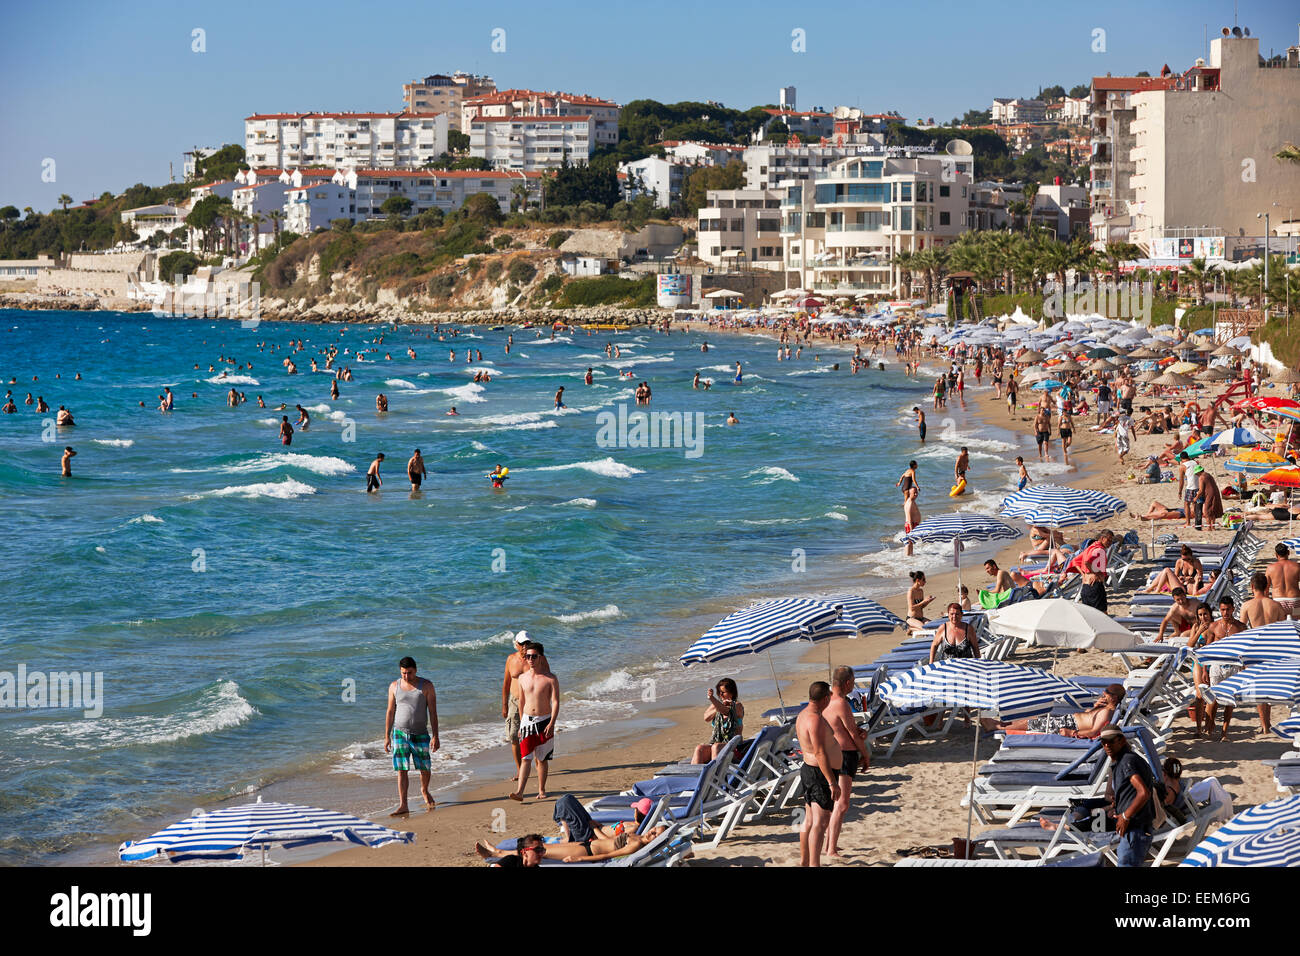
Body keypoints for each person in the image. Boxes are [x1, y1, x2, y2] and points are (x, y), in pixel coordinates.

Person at [823, 666, 871, 858]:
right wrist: (866, 754)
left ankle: (829, 844)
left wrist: (859, 732)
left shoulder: (825, 701)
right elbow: (852, 734)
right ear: (848, 683)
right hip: (844, 755)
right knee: (842, 804)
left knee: (834, 803)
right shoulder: (841, 703)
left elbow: (843, 729)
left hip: (831, 754)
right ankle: (831, 849)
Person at [383, 656, 439, 815]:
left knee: (425, 768)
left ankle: (424, 790)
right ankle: (403, 804)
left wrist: (436, 736)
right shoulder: (394, 686)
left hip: (420, 734)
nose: (407, 676)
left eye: (409, 672)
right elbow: (390, 711)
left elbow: (433, 712)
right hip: (400, 733)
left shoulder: (426, 686)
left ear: (416, 670)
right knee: (401, 769)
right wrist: (387, 736)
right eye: (403, 673)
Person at [795, 682, 840, 868]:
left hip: (810, 770)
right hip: (818, 774)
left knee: (810, 820)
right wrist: (832, 782)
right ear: (826, 698)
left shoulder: (804, 714)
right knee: (820, 824)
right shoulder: (813, 719)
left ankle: (805, 862)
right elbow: (820, 752)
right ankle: (814, 864)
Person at [510, 641, 559, 801]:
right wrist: (521, 724)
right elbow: (521, 702)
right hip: (527, 722)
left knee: (542, 759)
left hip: (544, 720)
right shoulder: (522, 678)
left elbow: (556, 701)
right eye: (528, 656)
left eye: (533, 656)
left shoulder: (550, 678)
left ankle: (542, 790)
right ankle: (520, 792)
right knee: (525, 758)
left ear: (540, 657)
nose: (530, 659)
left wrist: (552, 722)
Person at [1100, 726, 1155, 866]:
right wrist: (1118, 806)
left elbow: (1143, 792)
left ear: (1122, 740)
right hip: (1137, 828)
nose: (1107, 745)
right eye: (1103, 742)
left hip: (1134, 829)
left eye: (1111, 741)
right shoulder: (1127, 760)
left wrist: (1125, 816)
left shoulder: (1126, 761)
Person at [985, 684, 1124, 736]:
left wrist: (1072, 733)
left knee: (1030, 724)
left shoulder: (1107, 712)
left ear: (1115, 698)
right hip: (1069, 720)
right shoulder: (1104, 708)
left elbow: (1094, 731)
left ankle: (996, 726)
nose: (1103, 695)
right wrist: (1096, 707)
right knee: (1033, 719)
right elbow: (1088, 715)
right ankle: (999, 723)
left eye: (1106, 694)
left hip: (1070, 725)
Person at [692, 678, 744, 764]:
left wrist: (713, 699)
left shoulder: (737, 706)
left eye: (723, 692)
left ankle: (714, 775)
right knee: (700, 748)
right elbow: (706, 718)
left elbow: (726, 711)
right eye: (719, 692)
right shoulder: (717, 705)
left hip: (735, 748)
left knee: (716, 747)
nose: (720, 695)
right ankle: (695, 775)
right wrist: (717, 707)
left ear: (732, 692)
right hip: (716, 746)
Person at [502, 632, 529, 768]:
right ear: (516, 645)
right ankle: (519, 769)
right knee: (514, 736)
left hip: (531, 700)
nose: (525, 647)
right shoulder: (511, 659)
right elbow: (506, 684)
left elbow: (546, 677)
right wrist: (504, 705)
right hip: (514, 701)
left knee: (531, 736)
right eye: (522, 644)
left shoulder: (536, 658)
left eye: (527, 643)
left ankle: (535, 764)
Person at [1265, 543, 1300, 619]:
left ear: (1276, 554)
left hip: (1278, 602)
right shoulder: (1297, 566)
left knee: (1280, 627)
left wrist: (1267, 605)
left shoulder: (1270, 568)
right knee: (1297, 626)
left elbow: (1266, 589)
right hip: (1295, 601)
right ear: (1288, 553)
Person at [1191, 463, 1223, 531]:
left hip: (1209, 494)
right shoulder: (1208, 475)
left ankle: (1209, 527)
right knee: (1213, 509)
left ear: (1199, 471)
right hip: (1215, 493)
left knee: (1207, 511)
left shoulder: (1202, 477)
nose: (1196, 475)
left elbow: (1201, 490)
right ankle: (1213, 526)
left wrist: (1196, 498)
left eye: (1196, 473)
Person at [902, 486, 921, 557]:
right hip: (910, 524)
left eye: (916, 492)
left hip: (913, 524)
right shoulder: (909, 503)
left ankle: (911, 555)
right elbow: (909, 518)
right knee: (909, 542)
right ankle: (907, 556)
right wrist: (912, 530)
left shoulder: (912, 501)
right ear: (910, 493)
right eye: (914, 493)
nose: (916, 494)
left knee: (911, 542)